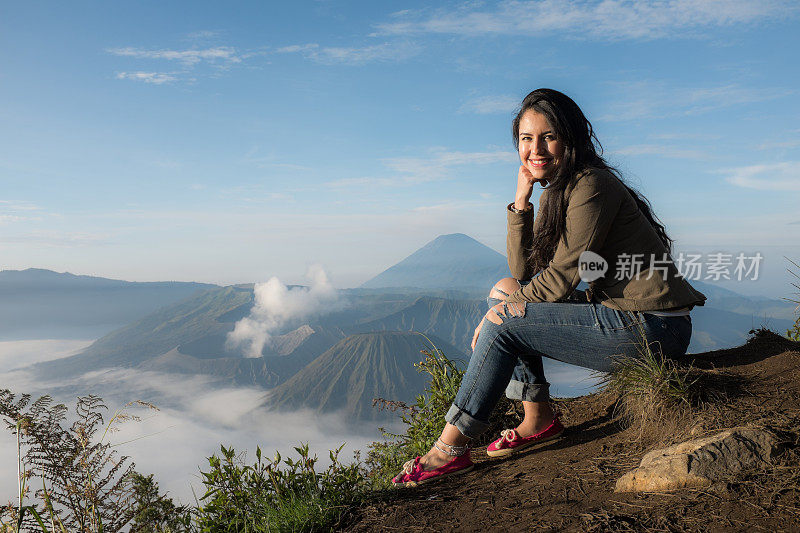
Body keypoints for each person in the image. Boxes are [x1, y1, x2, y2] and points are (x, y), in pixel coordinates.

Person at [391, 88, 707, 487]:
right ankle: (537, 418)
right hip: (625, 315)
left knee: (505, 317)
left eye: (548, 136)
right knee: (505, 289)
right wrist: (521, 204)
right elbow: (526, 273)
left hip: (654, 328)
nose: (535, 148)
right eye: (526, 138)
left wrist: (498, 318)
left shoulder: (592, 185)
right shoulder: (561, 190)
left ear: (570, 139)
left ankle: (448, 450)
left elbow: (560, 278)